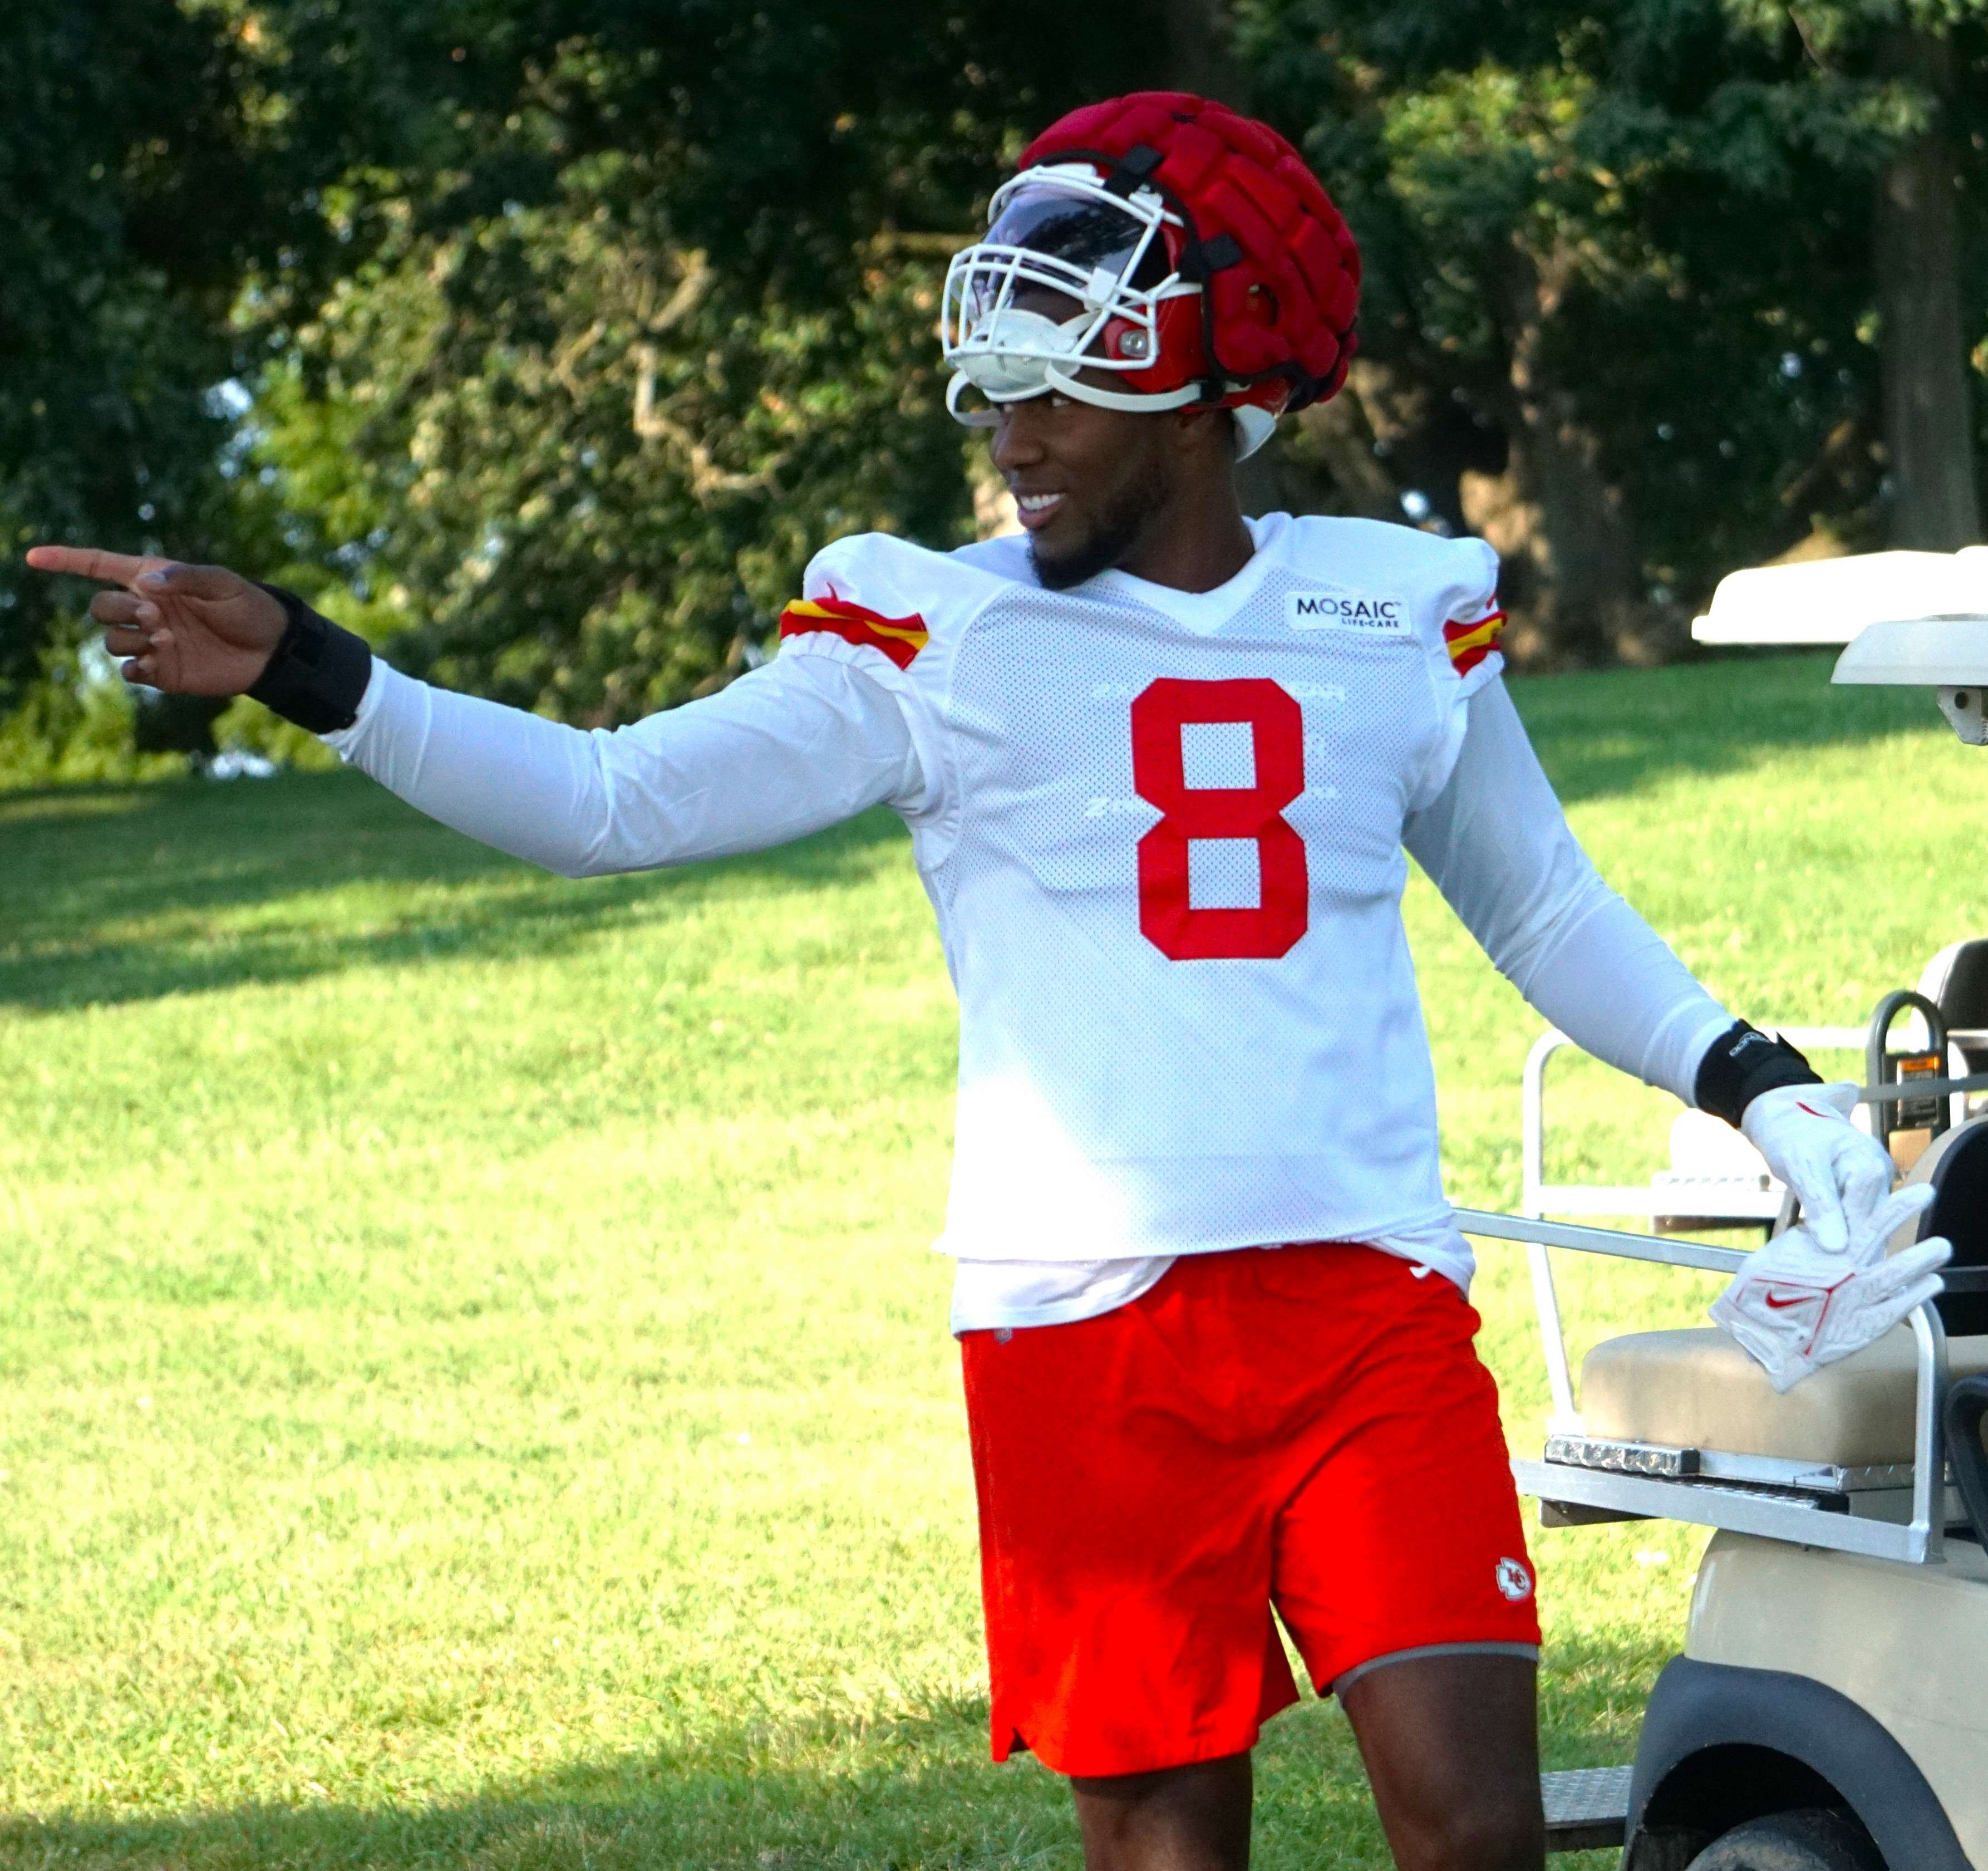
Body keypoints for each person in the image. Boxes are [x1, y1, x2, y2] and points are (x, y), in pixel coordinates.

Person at [28, 91, 1941, 1871]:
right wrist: (315, 669)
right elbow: (613, 803)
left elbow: (1541, 910)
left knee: (1476, 1835)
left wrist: (1752, 1075)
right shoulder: (923, 627)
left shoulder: (1387, 604)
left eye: (1057, 392)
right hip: (1083, 1335)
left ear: (1201, 386)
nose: (1009, 435)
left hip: (1364, 1299)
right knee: (1168, 1850)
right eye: (993, 392)